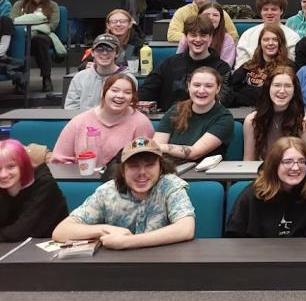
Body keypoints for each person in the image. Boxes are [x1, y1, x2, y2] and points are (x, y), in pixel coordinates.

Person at [51, 138, 195, 249]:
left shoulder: (170, 185)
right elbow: (61, 232)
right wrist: (104, 229)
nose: (142, 173)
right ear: (122, 170)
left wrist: (127, 242)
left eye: (150, 165)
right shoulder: (107, 191)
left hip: (164, 265)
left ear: (161, 167)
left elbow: (186, 229)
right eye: (133, 166)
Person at [225, 136, 306, 238]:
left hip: (304, 254)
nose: (296, 167)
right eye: (288, 162)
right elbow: (234, 238)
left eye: (302, 161)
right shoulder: (252, 194)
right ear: (274, 165)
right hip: (257, 254)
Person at [51, 73, 152, 164]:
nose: (120, 96)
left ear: (132, 97)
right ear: (103, 92)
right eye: (114, 90)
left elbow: (146, 161)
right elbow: (59, 160)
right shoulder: (79, 122)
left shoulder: (141, 123)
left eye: (127, 92)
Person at [139, 16, 231, 113]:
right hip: (170, 119)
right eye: (193, 35)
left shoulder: (221, 68)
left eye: (203, 35)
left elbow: (222, 100)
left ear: (210, 37)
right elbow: (147, 91)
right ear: (186, 36)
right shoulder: (169, 63)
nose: (198, 39)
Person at [153, 66, 235, 161]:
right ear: (189, 86)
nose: (201, 91)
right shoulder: (176, 109)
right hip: (170, 169)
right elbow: (156, 148)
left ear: (218, 88)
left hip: (205, 173)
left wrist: (161, 147)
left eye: (208, 86)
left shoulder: (224, 118)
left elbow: (194, 153)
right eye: (196, 85)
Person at [243, 66, 306, 161]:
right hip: (261, 174)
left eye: (288, 86)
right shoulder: (252, 121)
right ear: (268, 88)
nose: (282, 91)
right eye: (277, 85)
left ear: (294, 91)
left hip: (293, 173)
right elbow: (248, 162)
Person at [0, 139, 69, 241]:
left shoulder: (44, 184)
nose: (3, 175)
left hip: (48, 247)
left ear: (23, 165)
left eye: (10, 167)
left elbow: (18, 232)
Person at [11, 0, 62, 91]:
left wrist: (29, 25)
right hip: (22, 38)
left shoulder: (52, 5)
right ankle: (19, 80)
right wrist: (40, 21)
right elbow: (13, 22)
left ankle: (46, 78)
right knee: (18, 43)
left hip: (43, 38)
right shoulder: (19, 5)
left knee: (39, 40)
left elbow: (52, 25)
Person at [64, 34, 133, 110]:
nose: (104, 53)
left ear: (117, 53)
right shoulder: (80, 77)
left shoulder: (128, 79)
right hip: (84, 121)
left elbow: (130, 109)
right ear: (92, 53)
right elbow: (70, 109)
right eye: (99, 49)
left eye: (109, 49)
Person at [235, 0, 301, 69]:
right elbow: (241, 64)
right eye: (265, 9)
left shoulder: (293, 36)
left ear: (281, 11)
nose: (269, 13)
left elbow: (291, 66)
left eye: (274, 9)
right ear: (261, 12)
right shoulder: (248, 34)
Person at [166, 0, 240, 42]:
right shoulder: (181, 12)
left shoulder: (219, 12)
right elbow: (172, 34)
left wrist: (212, 41)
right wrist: (198, 39)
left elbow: (233, 35)